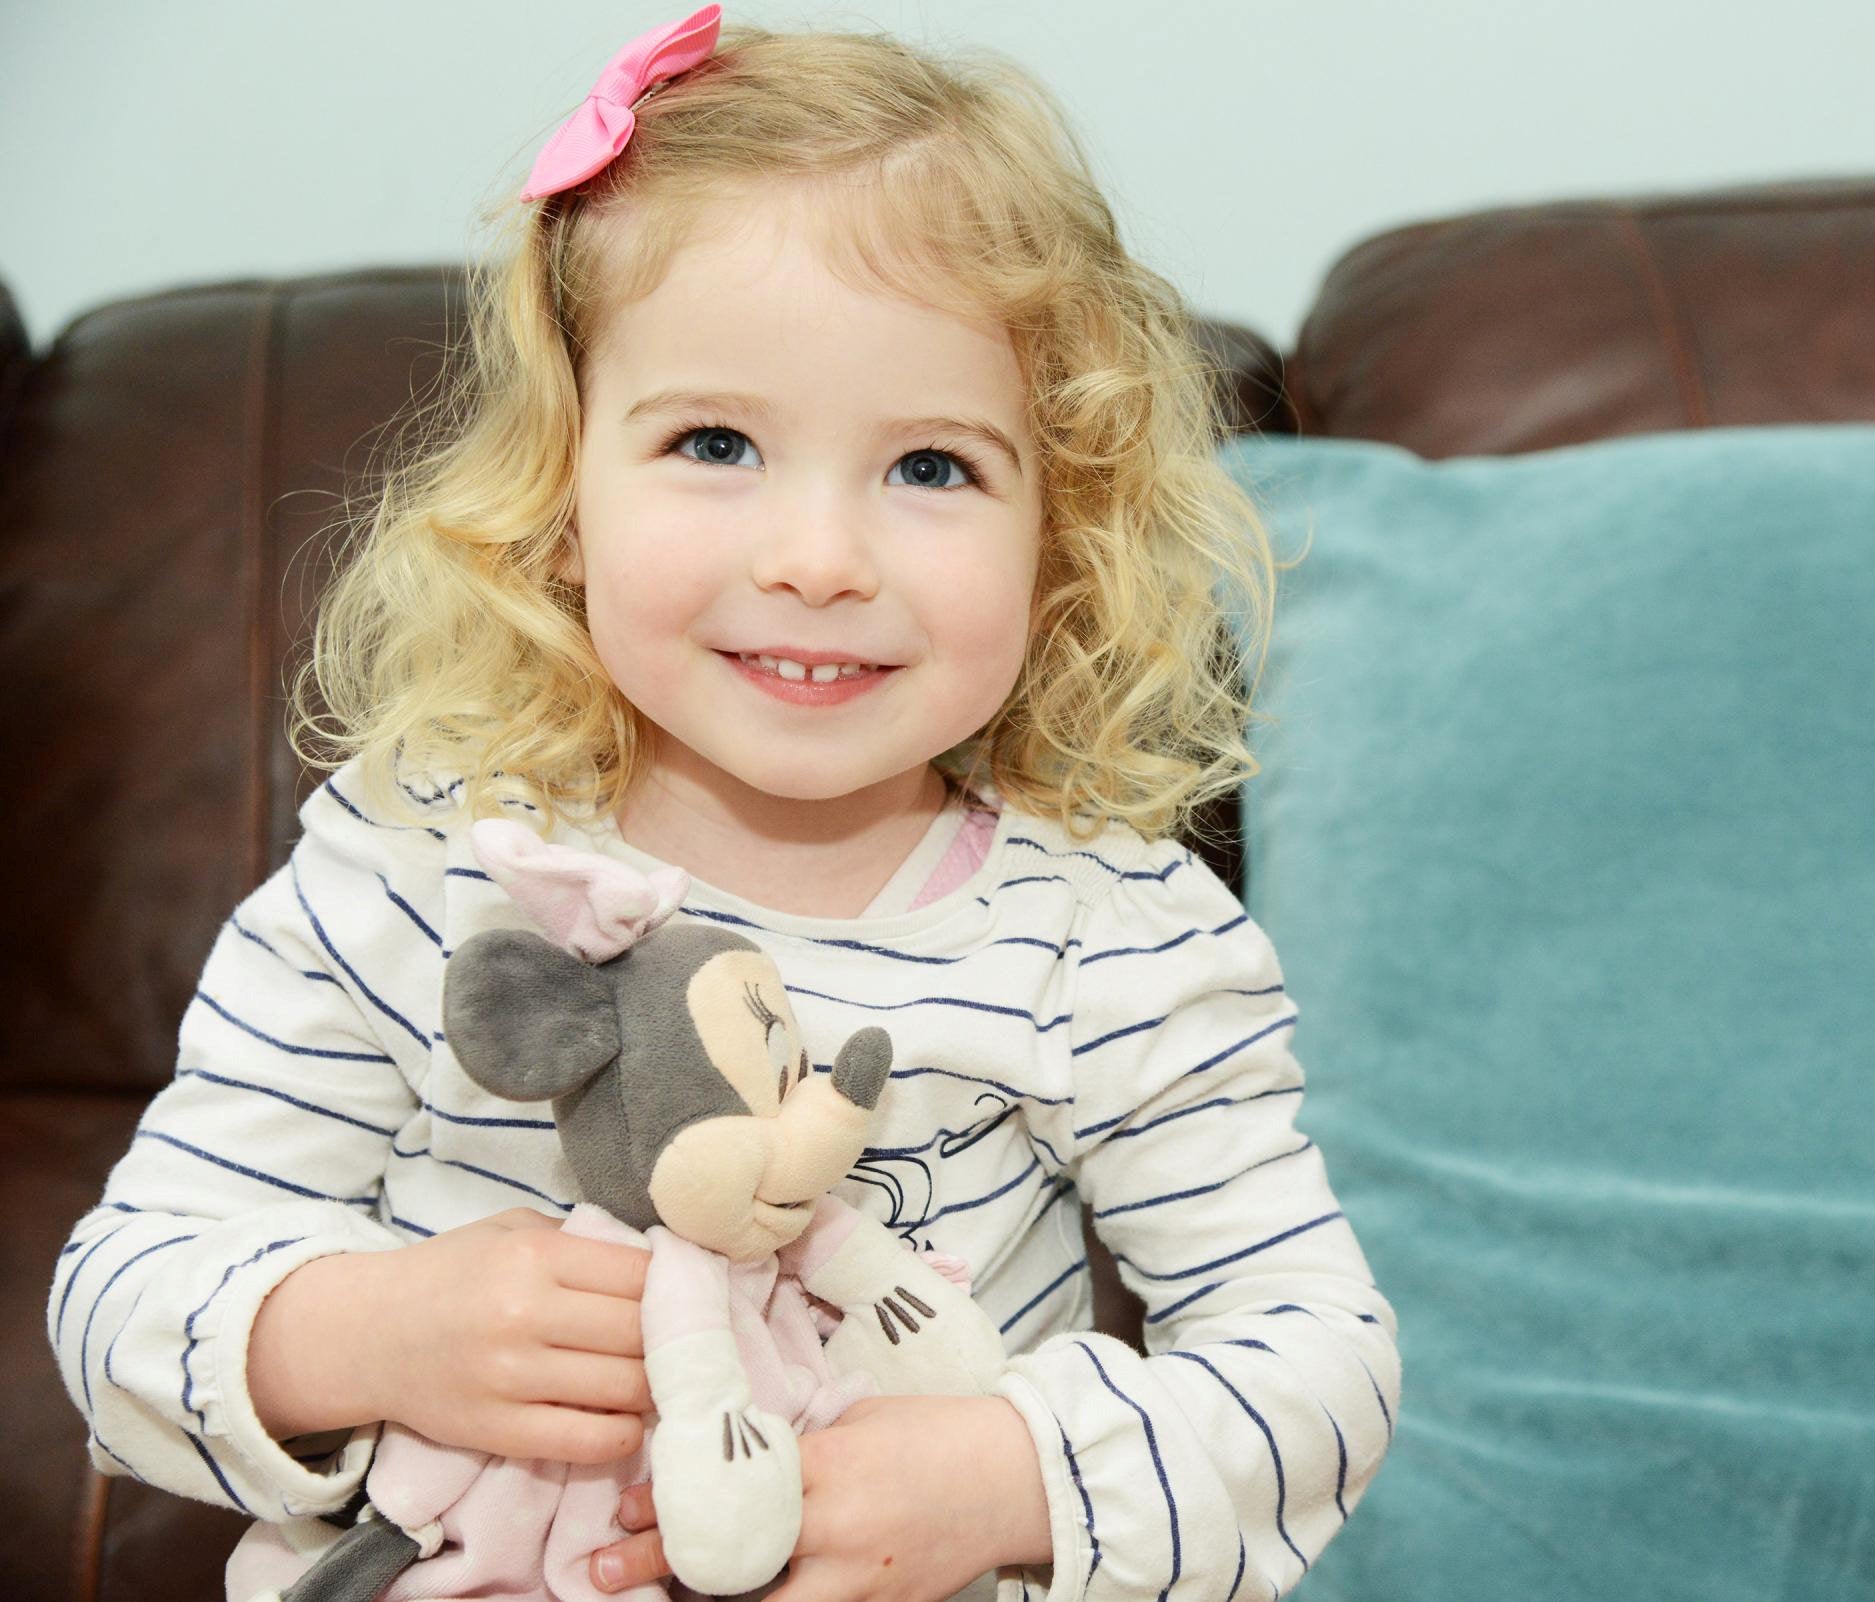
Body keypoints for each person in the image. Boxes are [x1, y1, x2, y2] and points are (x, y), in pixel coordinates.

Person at [43, 8, 1399, 1601]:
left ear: (1062, 531)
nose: (817, 558)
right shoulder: (420, 859)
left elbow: (1321, 1371)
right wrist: (366, 1331)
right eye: (715, 441)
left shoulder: (1118, 936)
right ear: (561, 494)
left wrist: (1004, 1478)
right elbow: (119, 1291)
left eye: (932, 467)